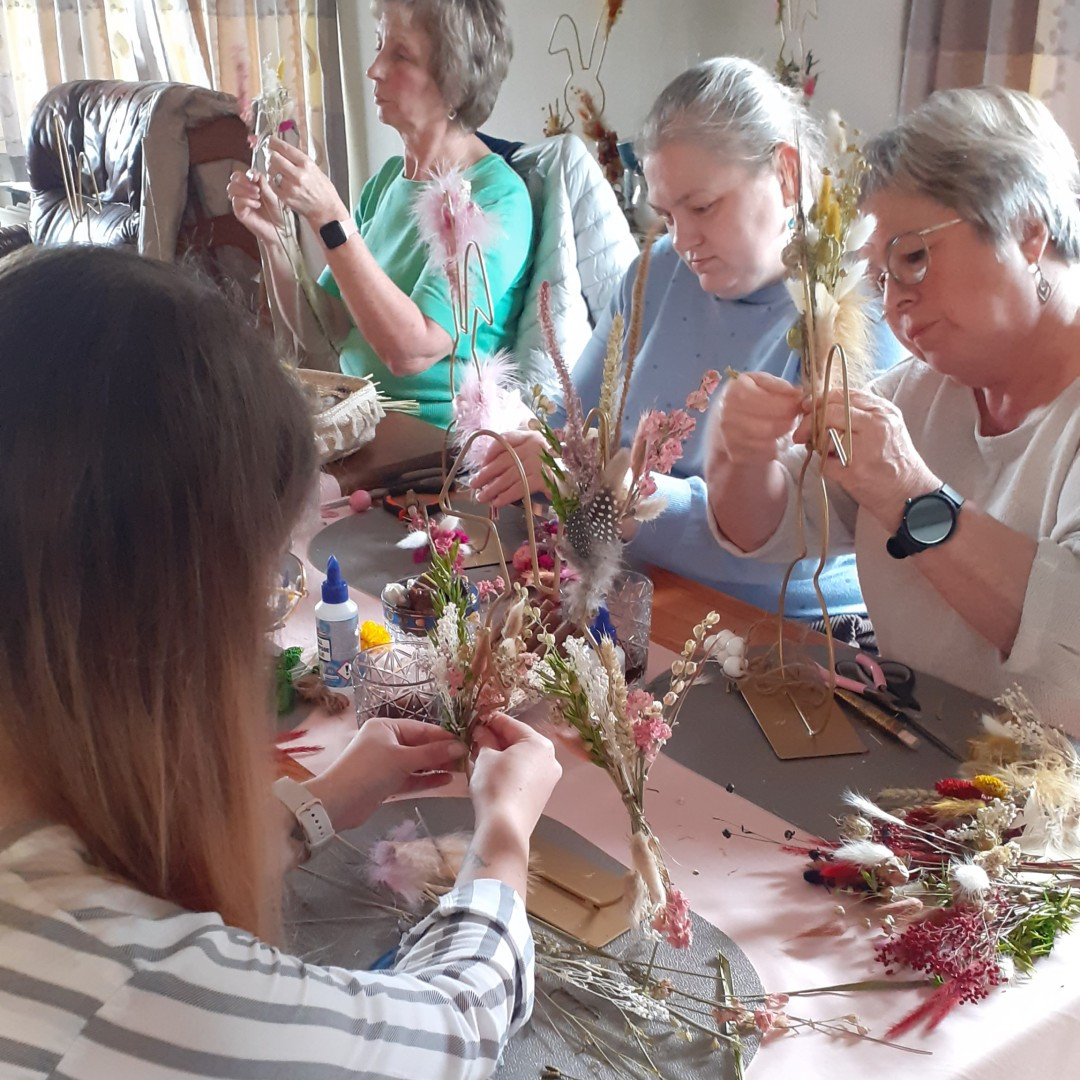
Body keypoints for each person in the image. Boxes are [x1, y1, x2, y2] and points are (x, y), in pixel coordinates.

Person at [0, 246, 561, 1077]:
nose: (262, 639)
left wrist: (318, 804)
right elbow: (452, 1031)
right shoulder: (138, 990)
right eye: (257, 590)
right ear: (163, 618)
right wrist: (505, 835)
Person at [471, 57, 902, 621]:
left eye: (702, 207)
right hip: (632, 591)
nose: (685, 239)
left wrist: (617, 488)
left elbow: (799, 534)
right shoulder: (657, 271)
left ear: (787, 175)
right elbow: (572, 428)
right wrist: (542, 453)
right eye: (668, 215)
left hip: (779, 628)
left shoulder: (855, 309)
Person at [706, 86, 1080, 731]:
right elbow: (764, 532)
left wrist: (913, 496)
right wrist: (742, 453)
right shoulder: (920, 390)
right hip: (929, 762)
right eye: (877, 278)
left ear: (1026, 230)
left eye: (913, 257)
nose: (895, 302)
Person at [228, 0, 533, 428]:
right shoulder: (388, 181)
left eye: (400, 55)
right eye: (378, 46)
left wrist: (330, 218)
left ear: (455, 85)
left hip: (433, 449)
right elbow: (325, 328)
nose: (373, 69)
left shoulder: (497, 198)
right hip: (356, 418)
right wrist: (276, 237)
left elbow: (410, 350)